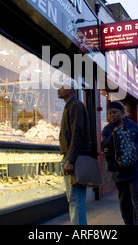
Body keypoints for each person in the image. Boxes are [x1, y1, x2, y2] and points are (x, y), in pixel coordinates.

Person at [101, 101, 138, 225]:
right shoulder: (107, 130)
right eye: (110, 113)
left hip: (137, 170)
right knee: (125, 203)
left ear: (122, 113)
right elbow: (104, 148)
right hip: (119, 172)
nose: (112, 115)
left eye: (115, 112)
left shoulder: (133, 126)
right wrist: (114, 135)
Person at [56, 78, 93, 225]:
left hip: (75, 159)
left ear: (71, 89)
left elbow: (77, 133)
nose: (59, 89)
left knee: (76, 200)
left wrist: (70, 160)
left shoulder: (75, 105)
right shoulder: (71, 105)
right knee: (75, 199)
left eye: (62, 87)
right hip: (73, 157)